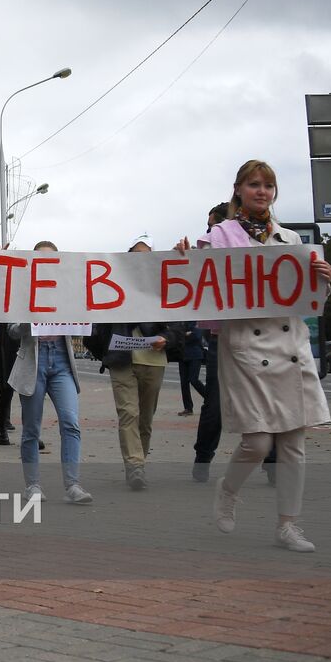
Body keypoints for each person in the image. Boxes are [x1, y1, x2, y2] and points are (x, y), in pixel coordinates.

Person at [179, 160, 331, 552]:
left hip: (290, 347)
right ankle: (228, 490)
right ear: (239, 189)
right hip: (246, 347)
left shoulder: (290, 239)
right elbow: (195, 281)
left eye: (268, 185)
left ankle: (288, 525)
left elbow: (308, 298)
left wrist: (323, 280)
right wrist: (181, 258)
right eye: (254, 184)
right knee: (259, 442)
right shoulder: (219, 236)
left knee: (294, 443)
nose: (261, 191)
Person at [6, 241, 92, 505]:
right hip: (34, 362)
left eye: (51, 259)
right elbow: (11, 330)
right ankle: (32, 486)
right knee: (32, 428)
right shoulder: (23, 292)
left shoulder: (67, 291)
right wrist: (27, 322)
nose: (46, 264)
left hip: (62, 361)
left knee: (71, 422)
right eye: (40, 259)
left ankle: (73, 485)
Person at [103, 234, 182, 491]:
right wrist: (104, 350)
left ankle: (139, 462)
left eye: (147, 255)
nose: (141, 260)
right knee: (129, 413)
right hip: (122, 360)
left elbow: (179, 324)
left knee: (145, 419)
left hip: (154, 361)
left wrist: (167, 339)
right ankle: (134, 466)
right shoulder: (113, 285)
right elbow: (97, 320)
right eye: (136, 255)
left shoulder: (164, 288)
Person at [192, 202, 230, 482]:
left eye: (212, 225)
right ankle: (203, 458)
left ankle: (272, 460)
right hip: (221, 337)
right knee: (214, 403)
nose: (208, 231)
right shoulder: (206, 252)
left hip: (257, 336)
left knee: (266, 399)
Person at [178, 321, 206, 416]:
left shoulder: (196, 321)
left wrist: (182, 335)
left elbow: (196, 336)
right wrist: (185, 334)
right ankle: (188, 408)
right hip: (182, 355)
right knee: (184, 383)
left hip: (195, 355)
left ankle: (209, 398)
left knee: (193, 379)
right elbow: (175, 335)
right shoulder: (181, 321)